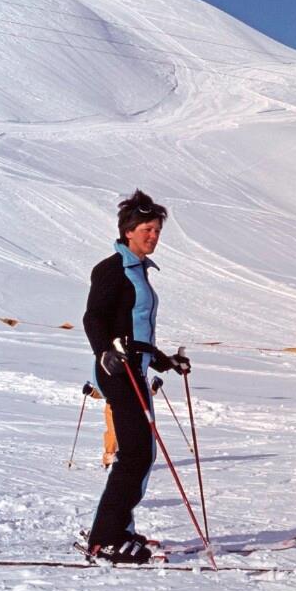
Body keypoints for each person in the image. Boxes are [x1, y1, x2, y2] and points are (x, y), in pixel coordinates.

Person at [83, 190, 191, 564]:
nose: (153, 236)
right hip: (117, 372)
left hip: (135, 370)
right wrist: (104, 351)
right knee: (135, 454)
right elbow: (93, 317)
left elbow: (137, 336)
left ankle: (119, 528)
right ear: (128, 231)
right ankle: (105, 539)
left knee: (140, 453)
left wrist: (166, 362)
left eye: (157, 230)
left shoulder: (139, 270)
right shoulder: (112, 269)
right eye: (147, 229)